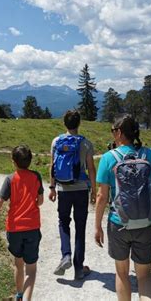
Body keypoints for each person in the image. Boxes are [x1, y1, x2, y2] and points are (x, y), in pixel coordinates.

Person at [95, 114, 151, 301]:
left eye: (113, 131)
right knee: (144, 276)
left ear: (119, 133)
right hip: (148, 223)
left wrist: (97, 226)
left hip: (119, 224)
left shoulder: (108, 158)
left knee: (122, 274)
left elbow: (102, 197)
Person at [0, 145, 44, 301]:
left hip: (14, 229)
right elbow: (40, 201)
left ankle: (19, 295)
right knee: (31, 270)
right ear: (30, 161)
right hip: (32, 228)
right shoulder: (36, 176)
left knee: (18, 264)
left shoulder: (10, 179)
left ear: (13, 161)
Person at [49, 110, 97, 280]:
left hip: (63, 189)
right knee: (81, 226)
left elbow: (52, 166)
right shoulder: (86, 143)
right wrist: (94, 190)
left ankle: (66, 255)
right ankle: (78, 268)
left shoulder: (56, 142)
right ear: (79, 124)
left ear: (64, 123)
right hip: (81, 189)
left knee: (63, 222)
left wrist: (52, 187)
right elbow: (91, 169)